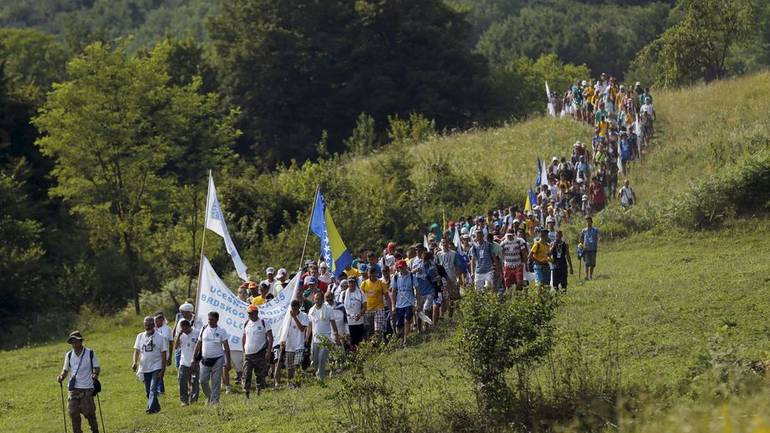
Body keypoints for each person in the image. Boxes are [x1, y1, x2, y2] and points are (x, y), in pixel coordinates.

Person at [57, 331, 100, 433]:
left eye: (76, 341)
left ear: (81, 341)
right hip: (73, 389)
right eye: (72, 342)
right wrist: (61, 377)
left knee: (89, 413)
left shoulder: (90, 353)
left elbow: (97, 368)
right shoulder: (69, 355)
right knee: (72, 412)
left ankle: (95, 430)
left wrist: (95, 374)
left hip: (87, 388)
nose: (74, 344)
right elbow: (65, 370)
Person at [132, 316, 167, 414]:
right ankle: (157, 407)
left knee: (153, 388)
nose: (147, 326)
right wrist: (134, 362)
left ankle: (150, 409)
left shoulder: (160, 337)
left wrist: (163, 369)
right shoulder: (140, 336)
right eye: (146, 324)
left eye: (149, 324)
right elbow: (136, 351)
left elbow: (164, 354)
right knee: (148, 391)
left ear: (153, 325)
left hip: (156, 366)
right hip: (144, 367)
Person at [195, 311, 231, 405]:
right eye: (209, 319)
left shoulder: (222, 331)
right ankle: (210, 396)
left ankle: (215, 402)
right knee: (202, 381)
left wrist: (228, 361)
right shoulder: (203, 329)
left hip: (218, 359)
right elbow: (198, 344)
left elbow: (226, 347)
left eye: (212, 319)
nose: (210, 321)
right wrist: (193, 358)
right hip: (205, 359)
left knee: (216, 382)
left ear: (217, 320)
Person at [307, 292, 341, 380]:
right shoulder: (311, 310)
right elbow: (310, 326)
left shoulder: (329, 309)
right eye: (316, 299)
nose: (317, 301)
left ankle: (321, 379)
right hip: (315, 340)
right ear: (313, 300)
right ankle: (318, 373)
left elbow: (334, 325)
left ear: (322, 300)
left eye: (319, 299)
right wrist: (306, 337)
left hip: (326, 339)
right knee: (315, 360)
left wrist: (336, 337)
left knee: (322, 359)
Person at [276, 300, 309, 389]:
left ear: (299, 307)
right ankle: (290, 383)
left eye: (295, 308)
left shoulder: (304, 315)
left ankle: (298, 384)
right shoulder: (287, 317)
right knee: (290, 367)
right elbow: (284, 329)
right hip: (289, 345)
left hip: (299, 345)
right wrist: (282, 340)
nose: (294, 310)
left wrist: (294, 317)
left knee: (297, 365)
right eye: (292, 308)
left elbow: (302, 329)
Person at [242, 305, 273, 398]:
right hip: (248, 354)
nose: (250, 315)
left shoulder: (263, 322)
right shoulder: (246, 323)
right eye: (248, 313)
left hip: (260, 353)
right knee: (246, 374)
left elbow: (270, 337)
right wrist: (243, 349)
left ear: (256, 313)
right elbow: (244, 337)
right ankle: (247, 394)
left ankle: (259, 393)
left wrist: (268, 351)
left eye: (251, 313)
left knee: (260, 374)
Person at [390, 259, 416, 345]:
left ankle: (405, 340)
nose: (401, 269)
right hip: (399, 304)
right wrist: (393, 305)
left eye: (402, 267)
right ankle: (401, 339)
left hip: (409, 302)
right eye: (399, 267)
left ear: (406, 267)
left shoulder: (411, 276)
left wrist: (417, 303)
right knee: (399, 326)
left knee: (406, 321)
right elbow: (393, 292)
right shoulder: (395, 277)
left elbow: (417, 290)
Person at [175, 319, 199, 406]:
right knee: (182, 381)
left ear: (189, 327)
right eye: (182, 329)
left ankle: (194, 400)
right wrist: (179, 335)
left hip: (195, 362)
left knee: (195, 382)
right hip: (184, 362)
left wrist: (196, 360)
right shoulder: (181, 335)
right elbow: (176, 347)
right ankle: (184, 401)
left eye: (185, 329)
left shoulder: (197, 333)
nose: (184, 331)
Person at [361, 266, 388, 341]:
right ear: (367, 274)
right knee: (370, 330)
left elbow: (387, 297)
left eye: (373, 276)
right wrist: (362, 310)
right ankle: (373, 345)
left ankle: (378, 344)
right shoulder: (364, 284)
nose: (371, 277)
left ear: (376, 274)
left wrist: (391, 308)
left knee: (377, 329)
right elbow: (361, 298)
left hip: (379, 308)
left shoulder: (381, 283)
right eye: (370, 276)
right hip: (368, 310)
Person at [500, 228, 527, 294]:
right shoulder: (503, 243)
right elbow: (500, 254)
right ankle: (509, 296)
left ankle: (517, 295)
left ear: (514, 235)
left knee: (519, 282)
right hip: (508, 265)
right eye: (508, 235)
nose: (509, 236)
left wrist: (525, 263)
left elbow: (524, 252)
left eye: (511, 235)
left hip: (518, 264)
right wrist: (502, 265)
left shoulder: (519, 241)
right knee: (508, 284)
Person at [342, 276, 366, 349]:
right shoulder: (343, 293)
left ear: (355, 283)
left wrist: (360, 315)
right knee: (350, 342)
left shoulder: (360, 292)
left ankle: (360, 355)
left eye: (353, 282)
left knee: (359, 341)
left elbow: (365, 307)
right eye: (350, 282)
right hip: (348, 322)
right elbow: (341, 307)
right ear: (348, 283)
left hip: (359, 321)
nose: (351, 284)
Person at [153, 312, 172, 394]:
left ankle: (160, 389)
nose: (155, 323)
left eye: (157, 321)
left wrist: (170, 357)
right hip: (154, 353)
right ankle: (158, 389)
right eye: (155, 321)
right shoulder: (153, 329)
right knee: (155, 370)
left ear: (162, 320)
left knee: (160, 371)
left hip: (164, 353)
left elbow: (170, 342)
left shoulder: (167, 329)